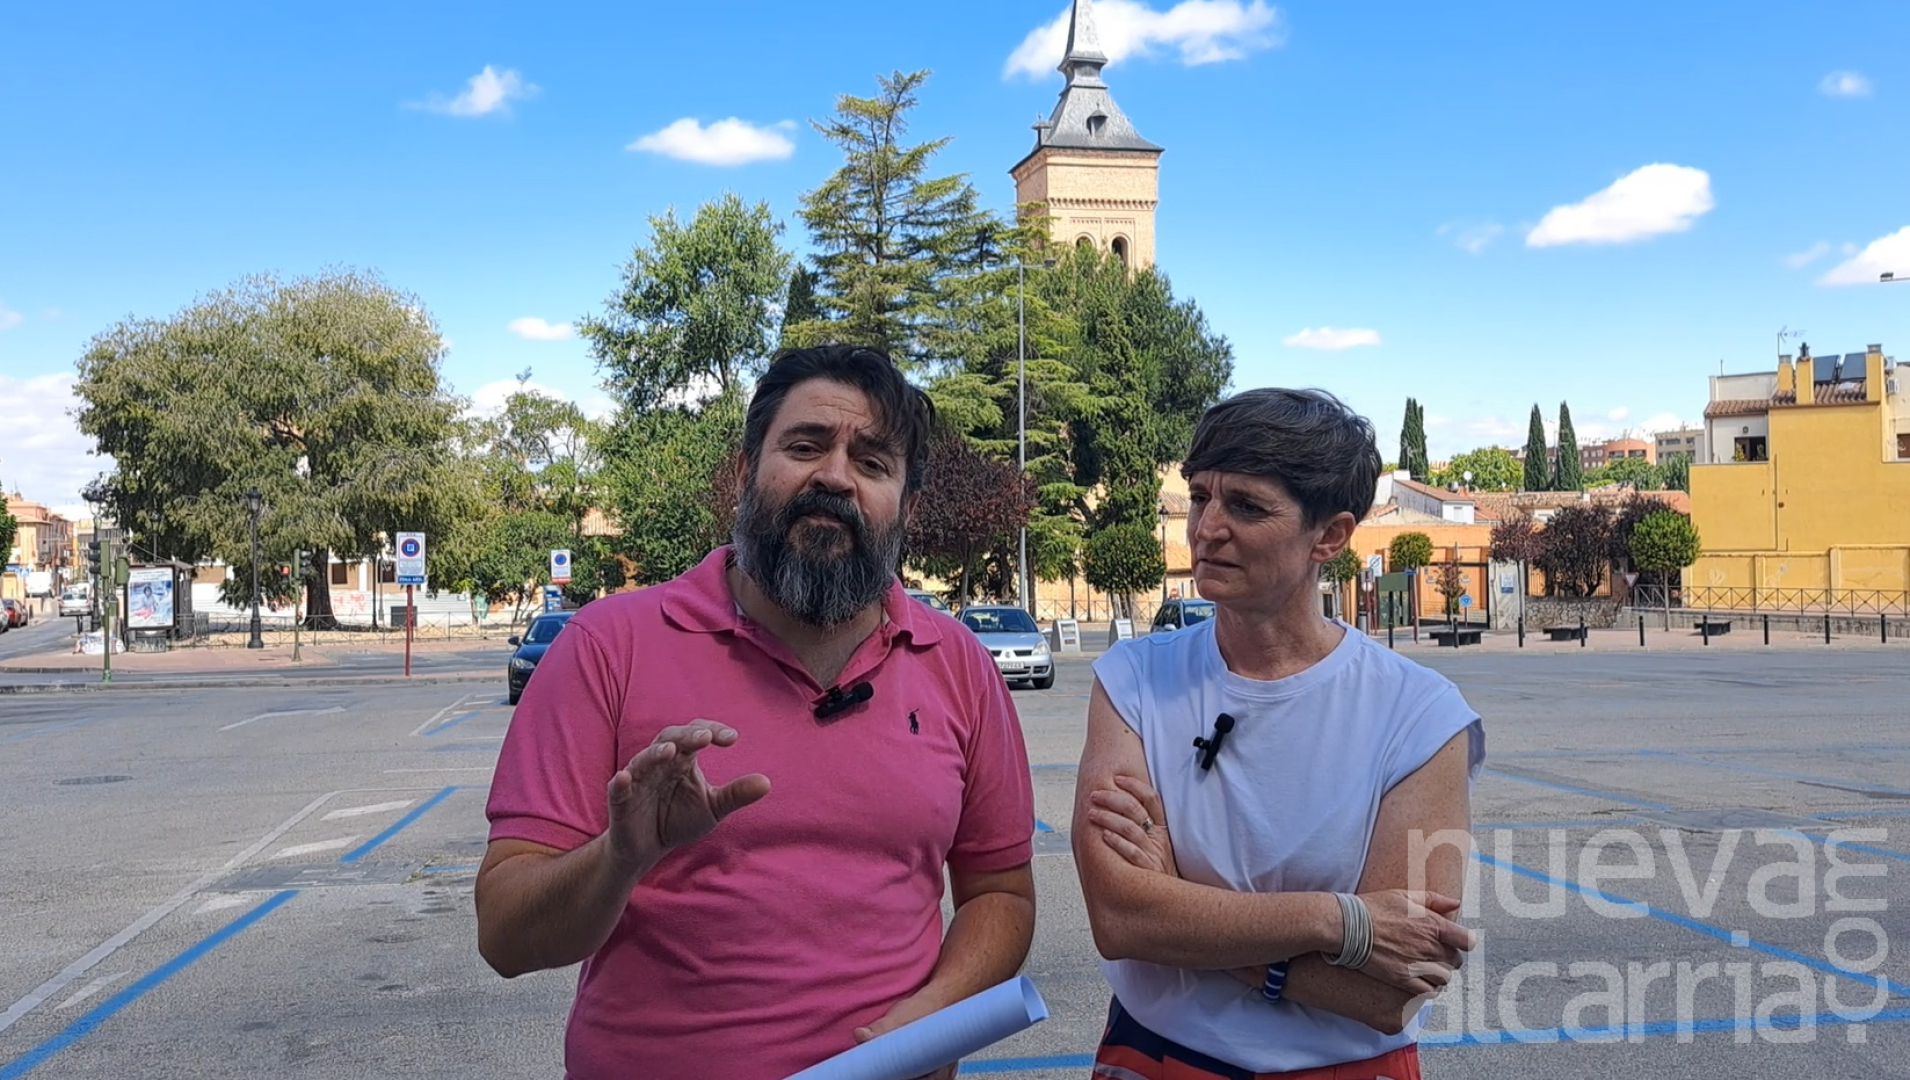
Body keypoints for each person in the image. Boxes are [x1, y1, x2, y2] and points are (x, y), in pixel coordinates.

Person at [476, 345, 1037, 1080]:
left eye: (872, 463)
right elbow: (505, 938)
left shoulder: (959, 665)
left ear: (907, 509)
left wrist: (938, 1013)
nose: (834, 476)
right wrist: (621, 857)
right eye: (805, 447)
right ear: (744, 474)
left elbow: (1001, 894)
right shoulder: (606, 647)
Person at [1072, 388, 1484, 1079]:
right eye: (1199, 497)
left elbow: (1394, 991)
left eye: (1246, 506)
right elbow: (1121, 921)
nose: (1207, 527)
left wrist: (1185, 909)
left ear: (1331, 536)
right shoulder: (1132, 680)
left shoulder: (1420, 716)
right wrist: (1342, 923)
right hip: (1155, 1059)